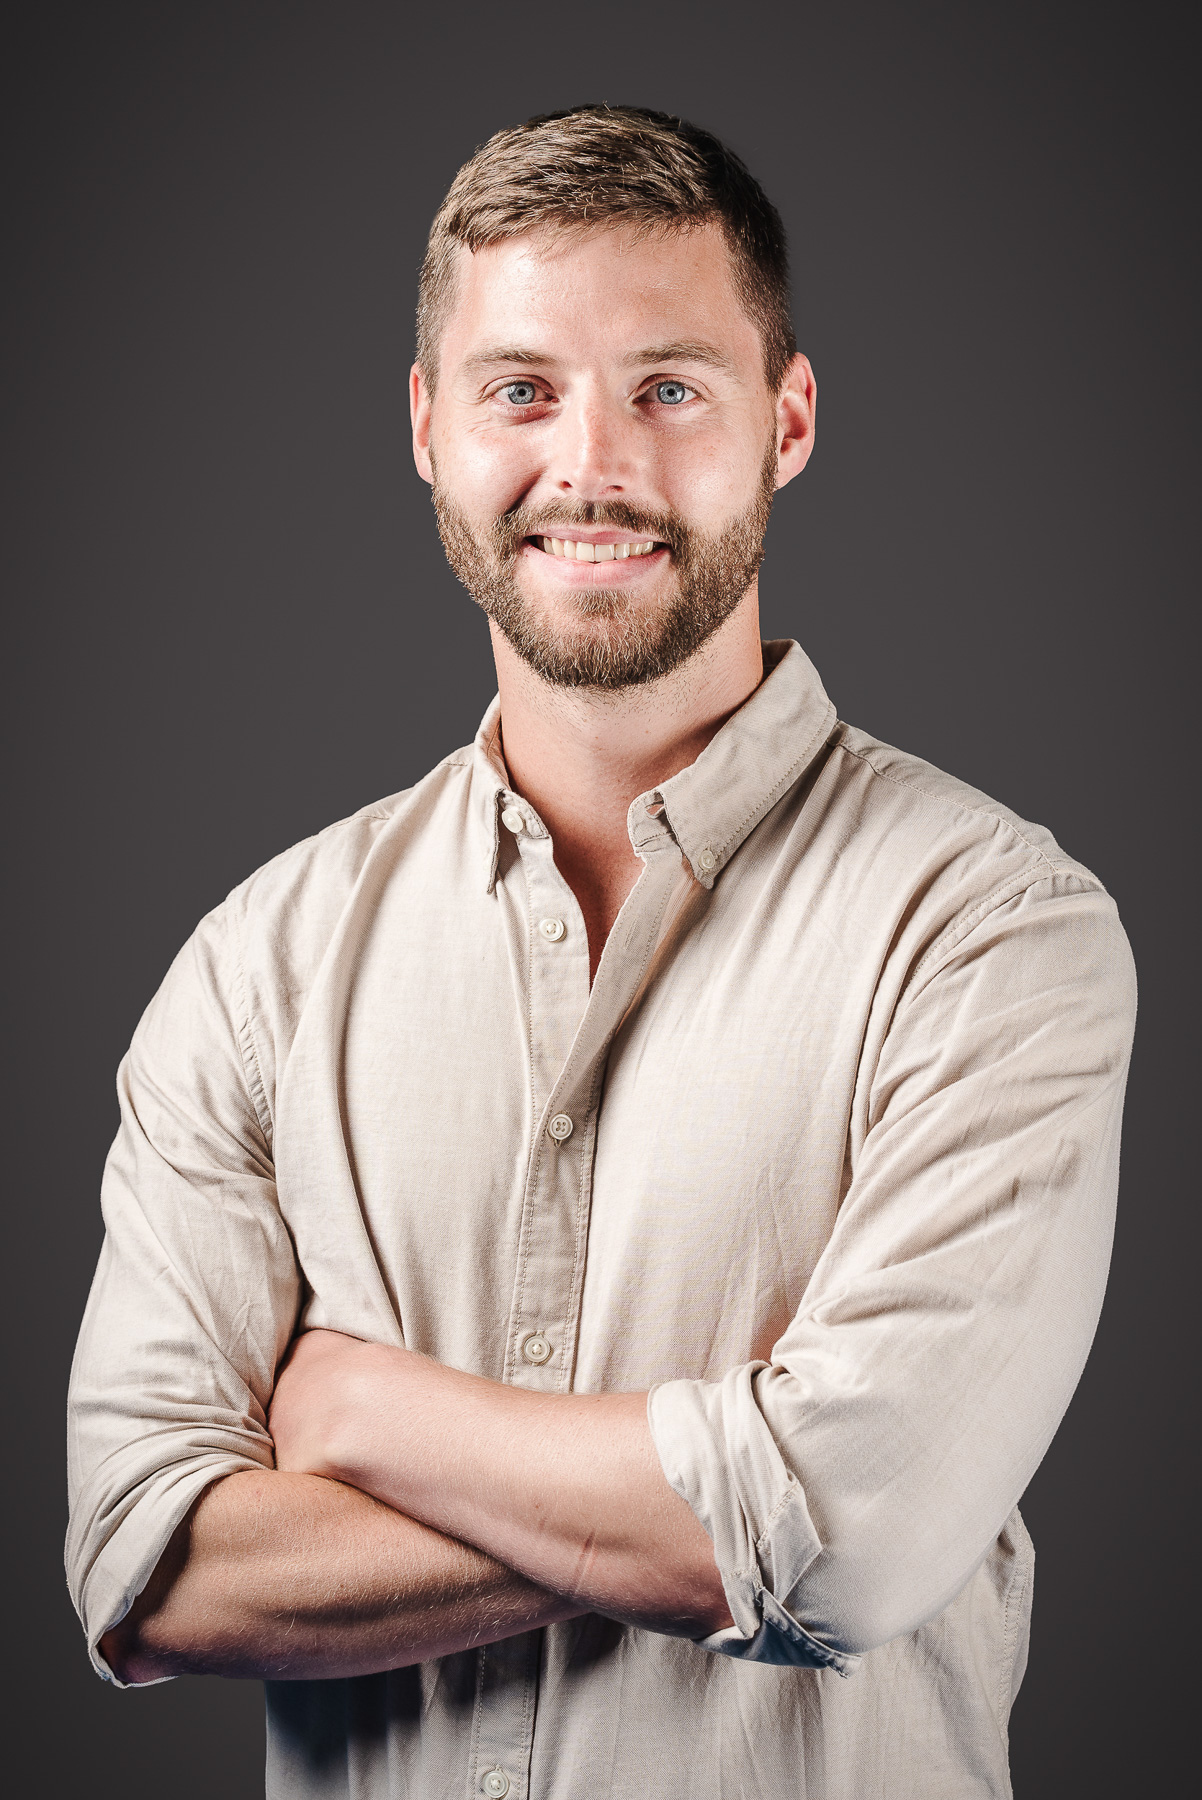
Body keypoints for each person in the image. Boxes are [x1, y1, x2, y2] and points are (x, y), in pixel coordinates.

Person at [67, 106, 1136, 1800]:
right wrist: (714, 1505)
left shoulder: (989, 930)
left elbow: (853, 1542)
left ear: (785, 421)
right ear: (427, 428)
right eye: (520, 390)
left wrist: (365, 1418)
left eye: (668, 388)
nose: (592, 465)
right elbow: (149, 1566)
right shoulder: (259, 965)